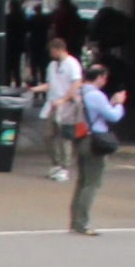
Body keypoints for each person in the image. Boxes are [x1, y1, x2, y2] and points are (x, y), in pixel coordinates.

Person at [68, 62, 121, 235]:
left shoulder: (80, 92)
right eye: (104, 77)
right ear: (100, 77)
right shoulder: (96, 95)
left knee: (82, 182)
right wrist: (119, 104)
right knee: (92, 183)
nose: (105, 81)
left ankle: (75, 221)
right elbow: (113, 116)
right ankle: (83, 223)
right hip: (95, 141)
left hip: (81, 138)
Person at [40, 35, 81, 182]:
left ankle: (65, 167)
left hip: (66, 105)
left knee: (65, 137)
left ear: (58, 49)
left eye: (52, 51)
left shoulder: (72, 63)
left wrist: (65, 98)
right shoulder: (52, 66)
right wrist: (34, 89)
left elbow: (76, 83)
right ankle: (56, 164)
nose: (51, 54)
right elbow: (50, 84)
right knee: (48, 135)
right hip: (53, 103)